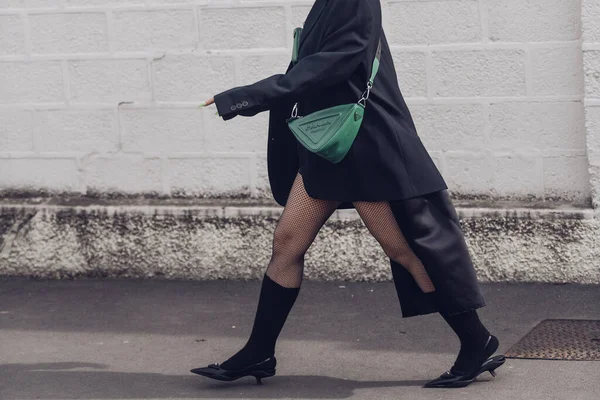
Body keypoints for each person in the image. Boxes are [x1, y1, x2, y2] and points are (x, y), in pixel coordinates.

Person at [191, 0, 505, 389]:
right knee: (287, 241)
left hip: (361, 151)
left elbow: (333, 64)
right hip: (328, 151)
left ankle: (476, 340)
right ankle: (259, 351)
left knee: (404, 249)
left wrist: (249, 96)